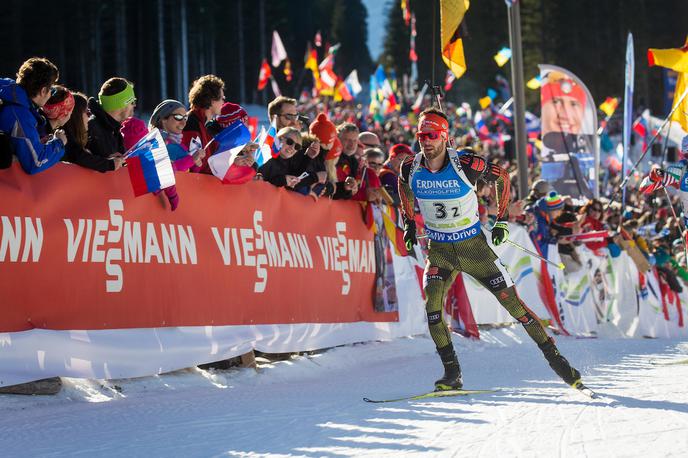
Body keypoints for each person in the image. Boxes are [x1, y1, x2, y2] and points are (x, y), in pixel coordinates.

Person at [398, 107, 582, 391]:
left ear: (445, 137)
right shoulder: (410, 168)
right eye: (422, 135)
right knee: (432, 309)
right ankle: (452, 373)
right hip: (439, 251)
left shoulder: (467, 164)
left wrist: (501, 221)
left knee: (515, 307)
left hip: (474, 250)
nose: (426, 141)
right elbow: (403, 188)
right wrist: (409, 222)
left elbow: (503, 177)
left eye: (432, 135)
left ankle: (557, 361)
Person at [0, 57, 66, 174]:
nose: (51, 94)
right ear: (43, 90)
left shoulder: (7, 88)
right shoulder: (21, 115)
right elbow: (35, 162)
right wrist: (59, 143)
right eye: (52, 90)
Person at [182, 74, 225, 173]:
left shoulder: (213, 125)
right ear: (212, 100)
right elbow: (196, 166)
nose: (224, 102)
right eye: (222, 98)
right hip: (195, 186)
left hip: (209, 185)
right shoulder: (190, 122)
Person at [87, 77, 136, 161]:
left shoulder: (114, 128)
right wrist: (107, 163)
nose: (134, 105)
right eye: (133, 102)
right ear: (123, 103)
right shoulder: (91, 127)